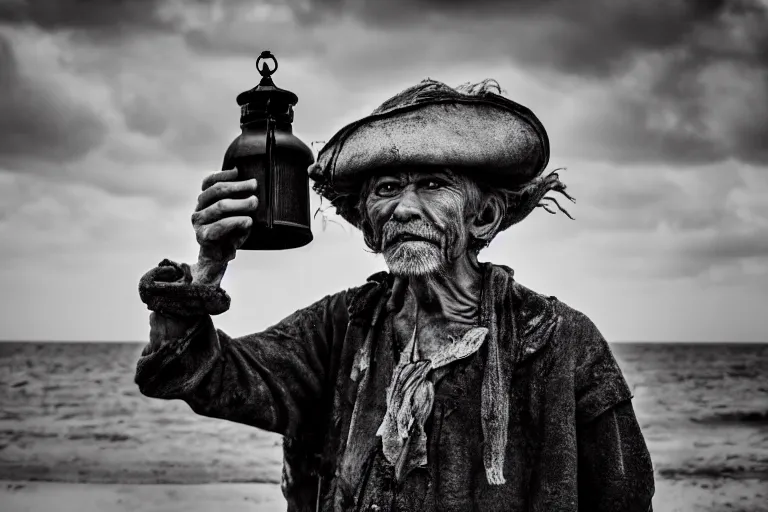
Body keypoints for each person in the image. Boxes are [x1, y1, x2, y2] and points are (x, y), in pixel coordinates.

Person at [135, 78, 655, 511]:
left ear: (485, 216)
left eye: (432, 184)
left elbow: (625, 497)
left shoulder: (561, 343)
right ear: (369, 226)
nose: (404, 207)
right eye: (386, 189)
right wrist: (210, 264)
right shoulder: (343, 325)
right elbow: (197, 373)